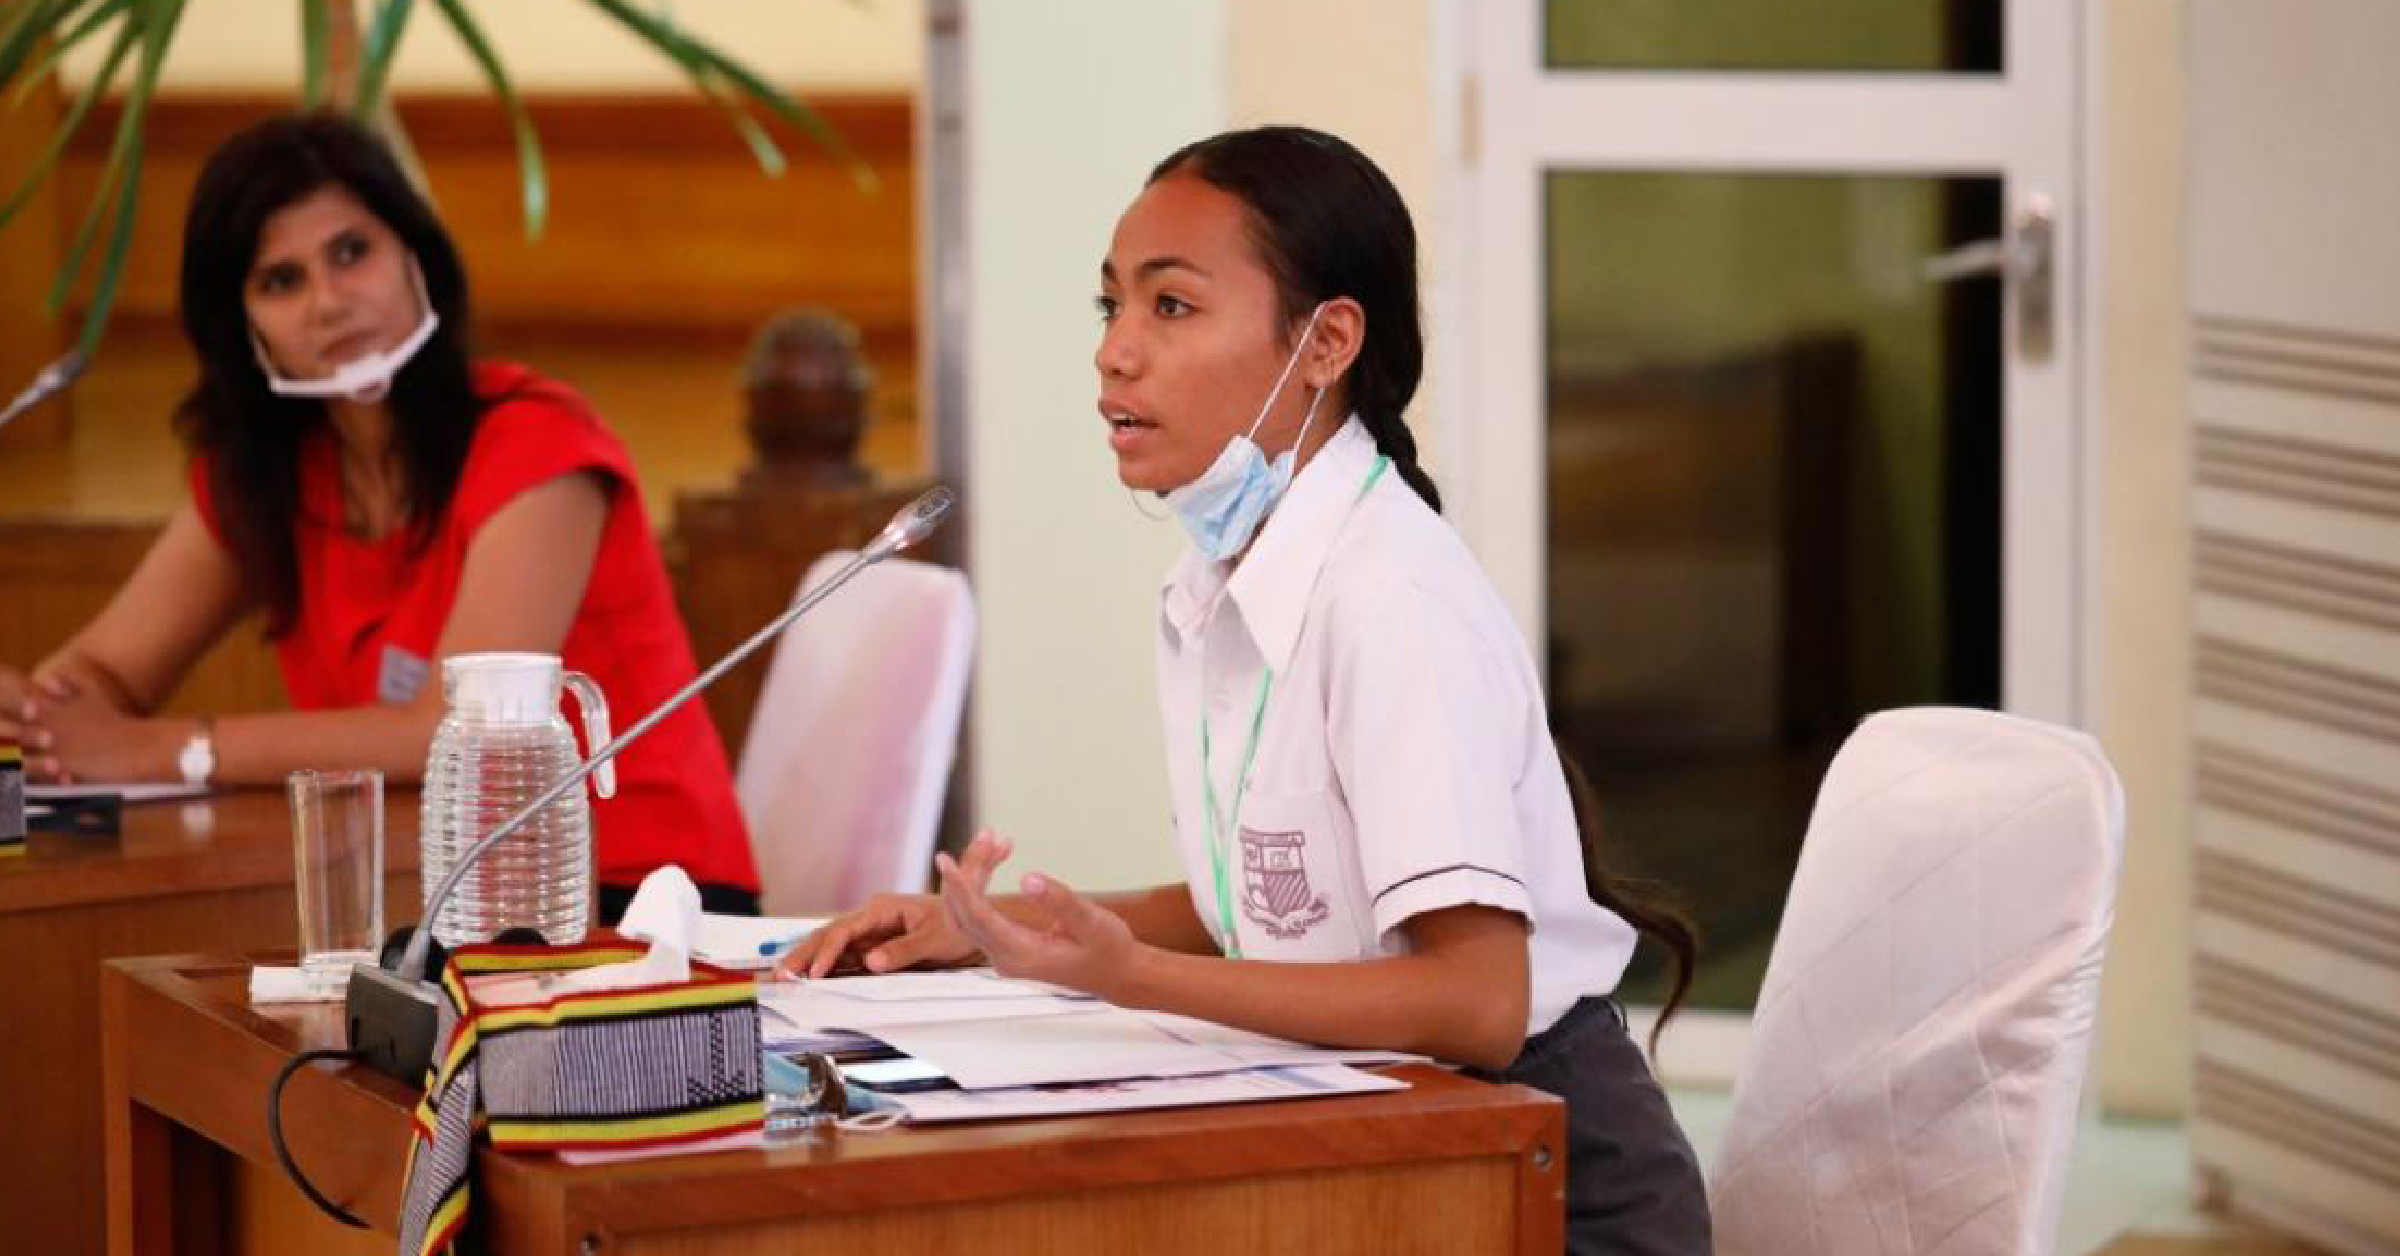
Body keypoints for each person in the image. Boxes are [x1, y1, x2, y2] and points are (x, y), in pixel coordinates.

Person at [780, 125, 1710, 1252]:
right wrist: (978, 929)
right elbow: (1273, 907)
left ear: (1326, 343)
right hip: (1400, 1130)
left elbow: (1477, 1000)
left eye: (1171, 306)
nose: (1115, 352)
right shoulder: (1219, 580)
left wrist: (1137, 978)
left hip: (1540, 1173)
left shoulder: (1393, 598)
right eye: (1111, 304)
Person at [0, 112, 759, 916]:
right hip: (431, 895)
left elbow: (454, 729)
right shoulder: (267, 476)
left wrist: (165, 750)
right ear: (242, 327)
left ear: (415, 258)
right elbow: (106, 675)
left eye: (351, 252)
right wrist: (37, 717)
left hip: (640, 898)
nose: (328, 302)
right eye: (281, 281)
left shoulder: (539, 444)